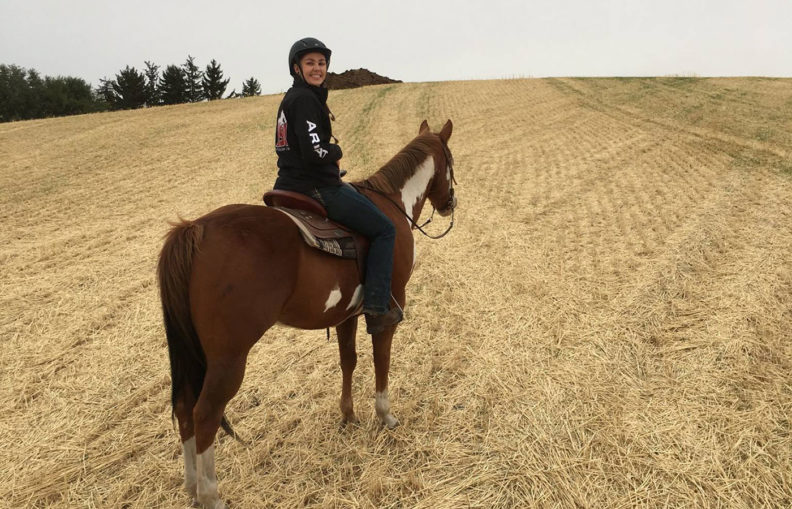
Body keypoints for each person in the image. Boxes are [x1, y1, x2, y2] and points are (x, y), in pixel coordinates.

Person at [274, 37, 402, 334]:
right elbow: (314, 151)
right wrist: (336, 152)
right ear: (296, 68)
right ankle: (376, 307)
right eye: (310, 63)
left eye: (321, 63)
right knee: (385, 229)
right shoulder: (305, 99)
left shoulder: (292, 99)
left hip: (287, 183)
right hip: (316, 187)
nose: (317, 68)